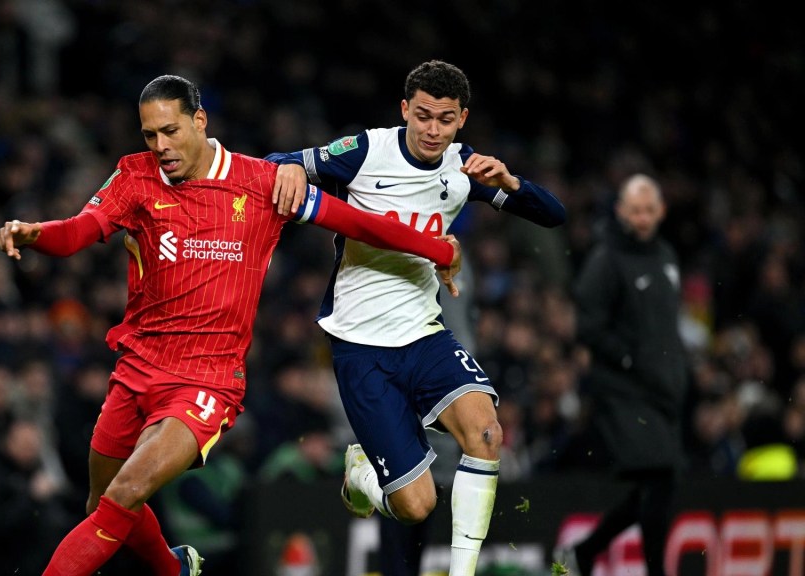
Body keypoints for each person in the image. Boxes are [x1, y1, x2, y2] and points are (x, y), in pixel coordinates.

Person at [0, 73, 465, 576]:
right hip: (137, 368)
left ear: (200, 121)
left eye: (171, 131)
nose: (161, 146)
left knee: (127, 491)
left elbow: (353, 221)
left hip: (207, 379)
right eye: (149, 134)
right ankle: (174, 570)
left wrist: (439, 249)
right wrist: (36, 233)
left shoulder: (261, 183)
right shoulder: (135, 177)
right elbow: (77, 234)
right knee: (102, 505)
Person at [266, 59, 566, 576]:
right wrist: (291, 164)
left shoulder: (464, 166)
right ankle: (362, 476)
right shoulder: (366, 150)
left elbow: (554, 215)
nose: (432, 129)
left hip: (424, 333)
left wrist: (512, 183)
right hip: (360, 345)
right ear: (404, 109)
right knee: (416, 506)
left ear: (461, 119)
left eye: (444, 119)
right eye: (422, 115)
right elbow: (276, 161)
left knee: (487, 434)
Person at [563, 173, 689, 576]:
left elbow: (666, 327)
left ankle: (586, 550)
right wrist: (629, 359)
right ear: (620, 211)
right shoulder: (606, 259)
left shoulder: (668, 256)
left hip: (661, 389)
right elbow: (587, 325)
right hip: (623, 389)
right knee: (658, 476)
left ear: (662, 211)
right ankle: (652, 570)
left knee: (659, 484)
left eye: (649, 209)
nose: (642, 218)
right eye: (635, 210)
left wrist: (676, 373)